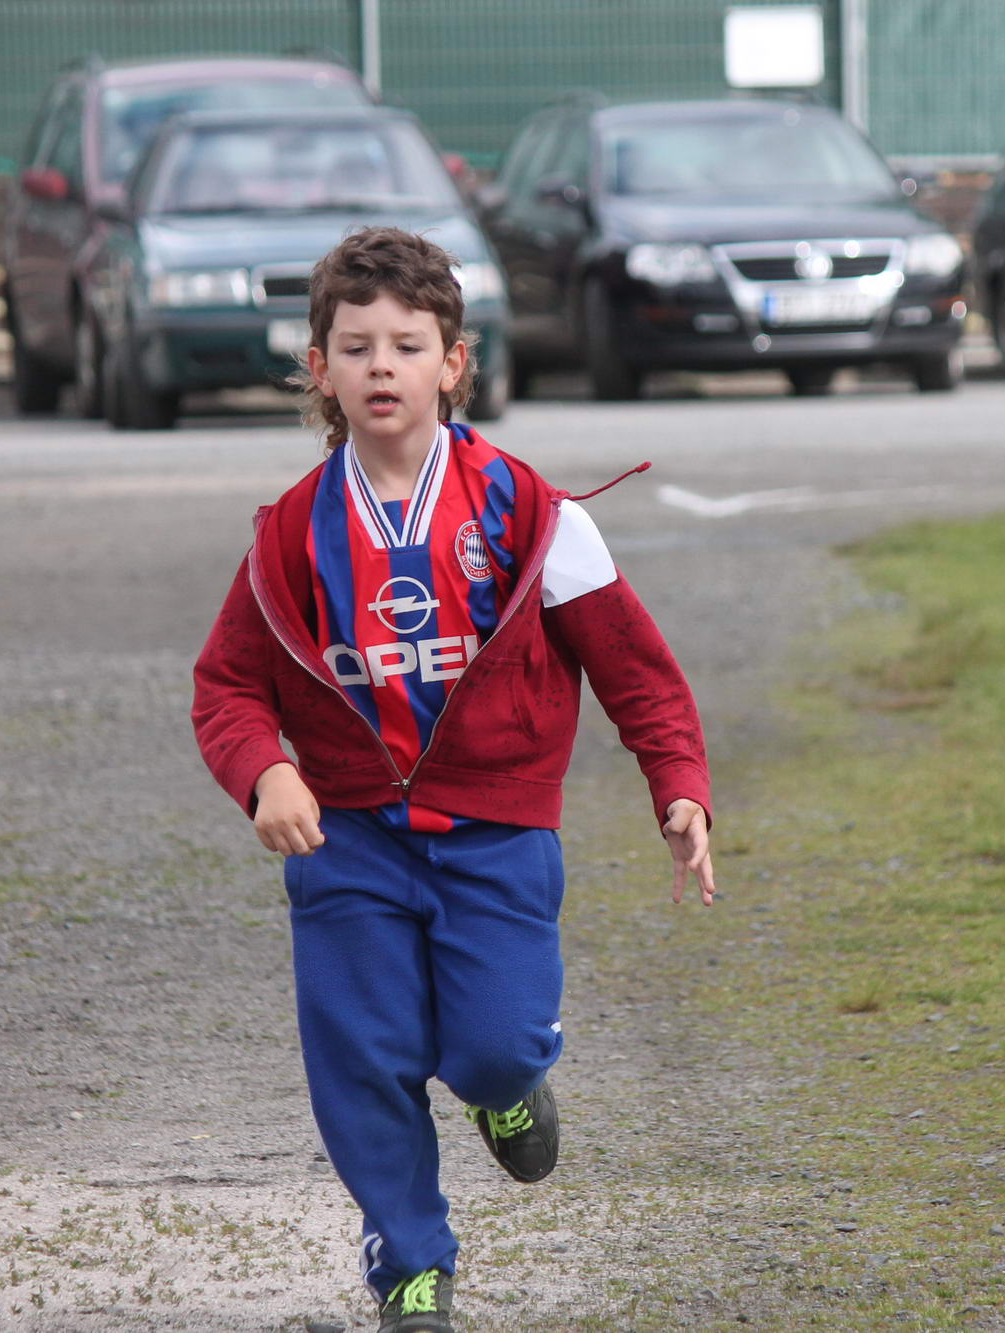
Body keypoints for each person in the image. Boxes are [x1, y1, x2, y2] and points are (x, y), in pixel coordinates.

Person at [190, 226, 716, 1330]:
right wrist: (265, 772)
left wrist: (677, 782)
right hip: (347, 842)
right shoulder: (290, 534)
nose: (380, 366)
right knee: (363, 1056)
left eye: (406, 344)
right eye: (355, 347)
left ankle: (507, 1088)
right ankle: (411, 1265)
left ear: (453, 362)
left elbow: (635, 669)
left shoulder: (533, 515)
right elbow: (228, 684)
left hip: (496, 833)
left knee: (493, 1041)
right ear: (319, 368)